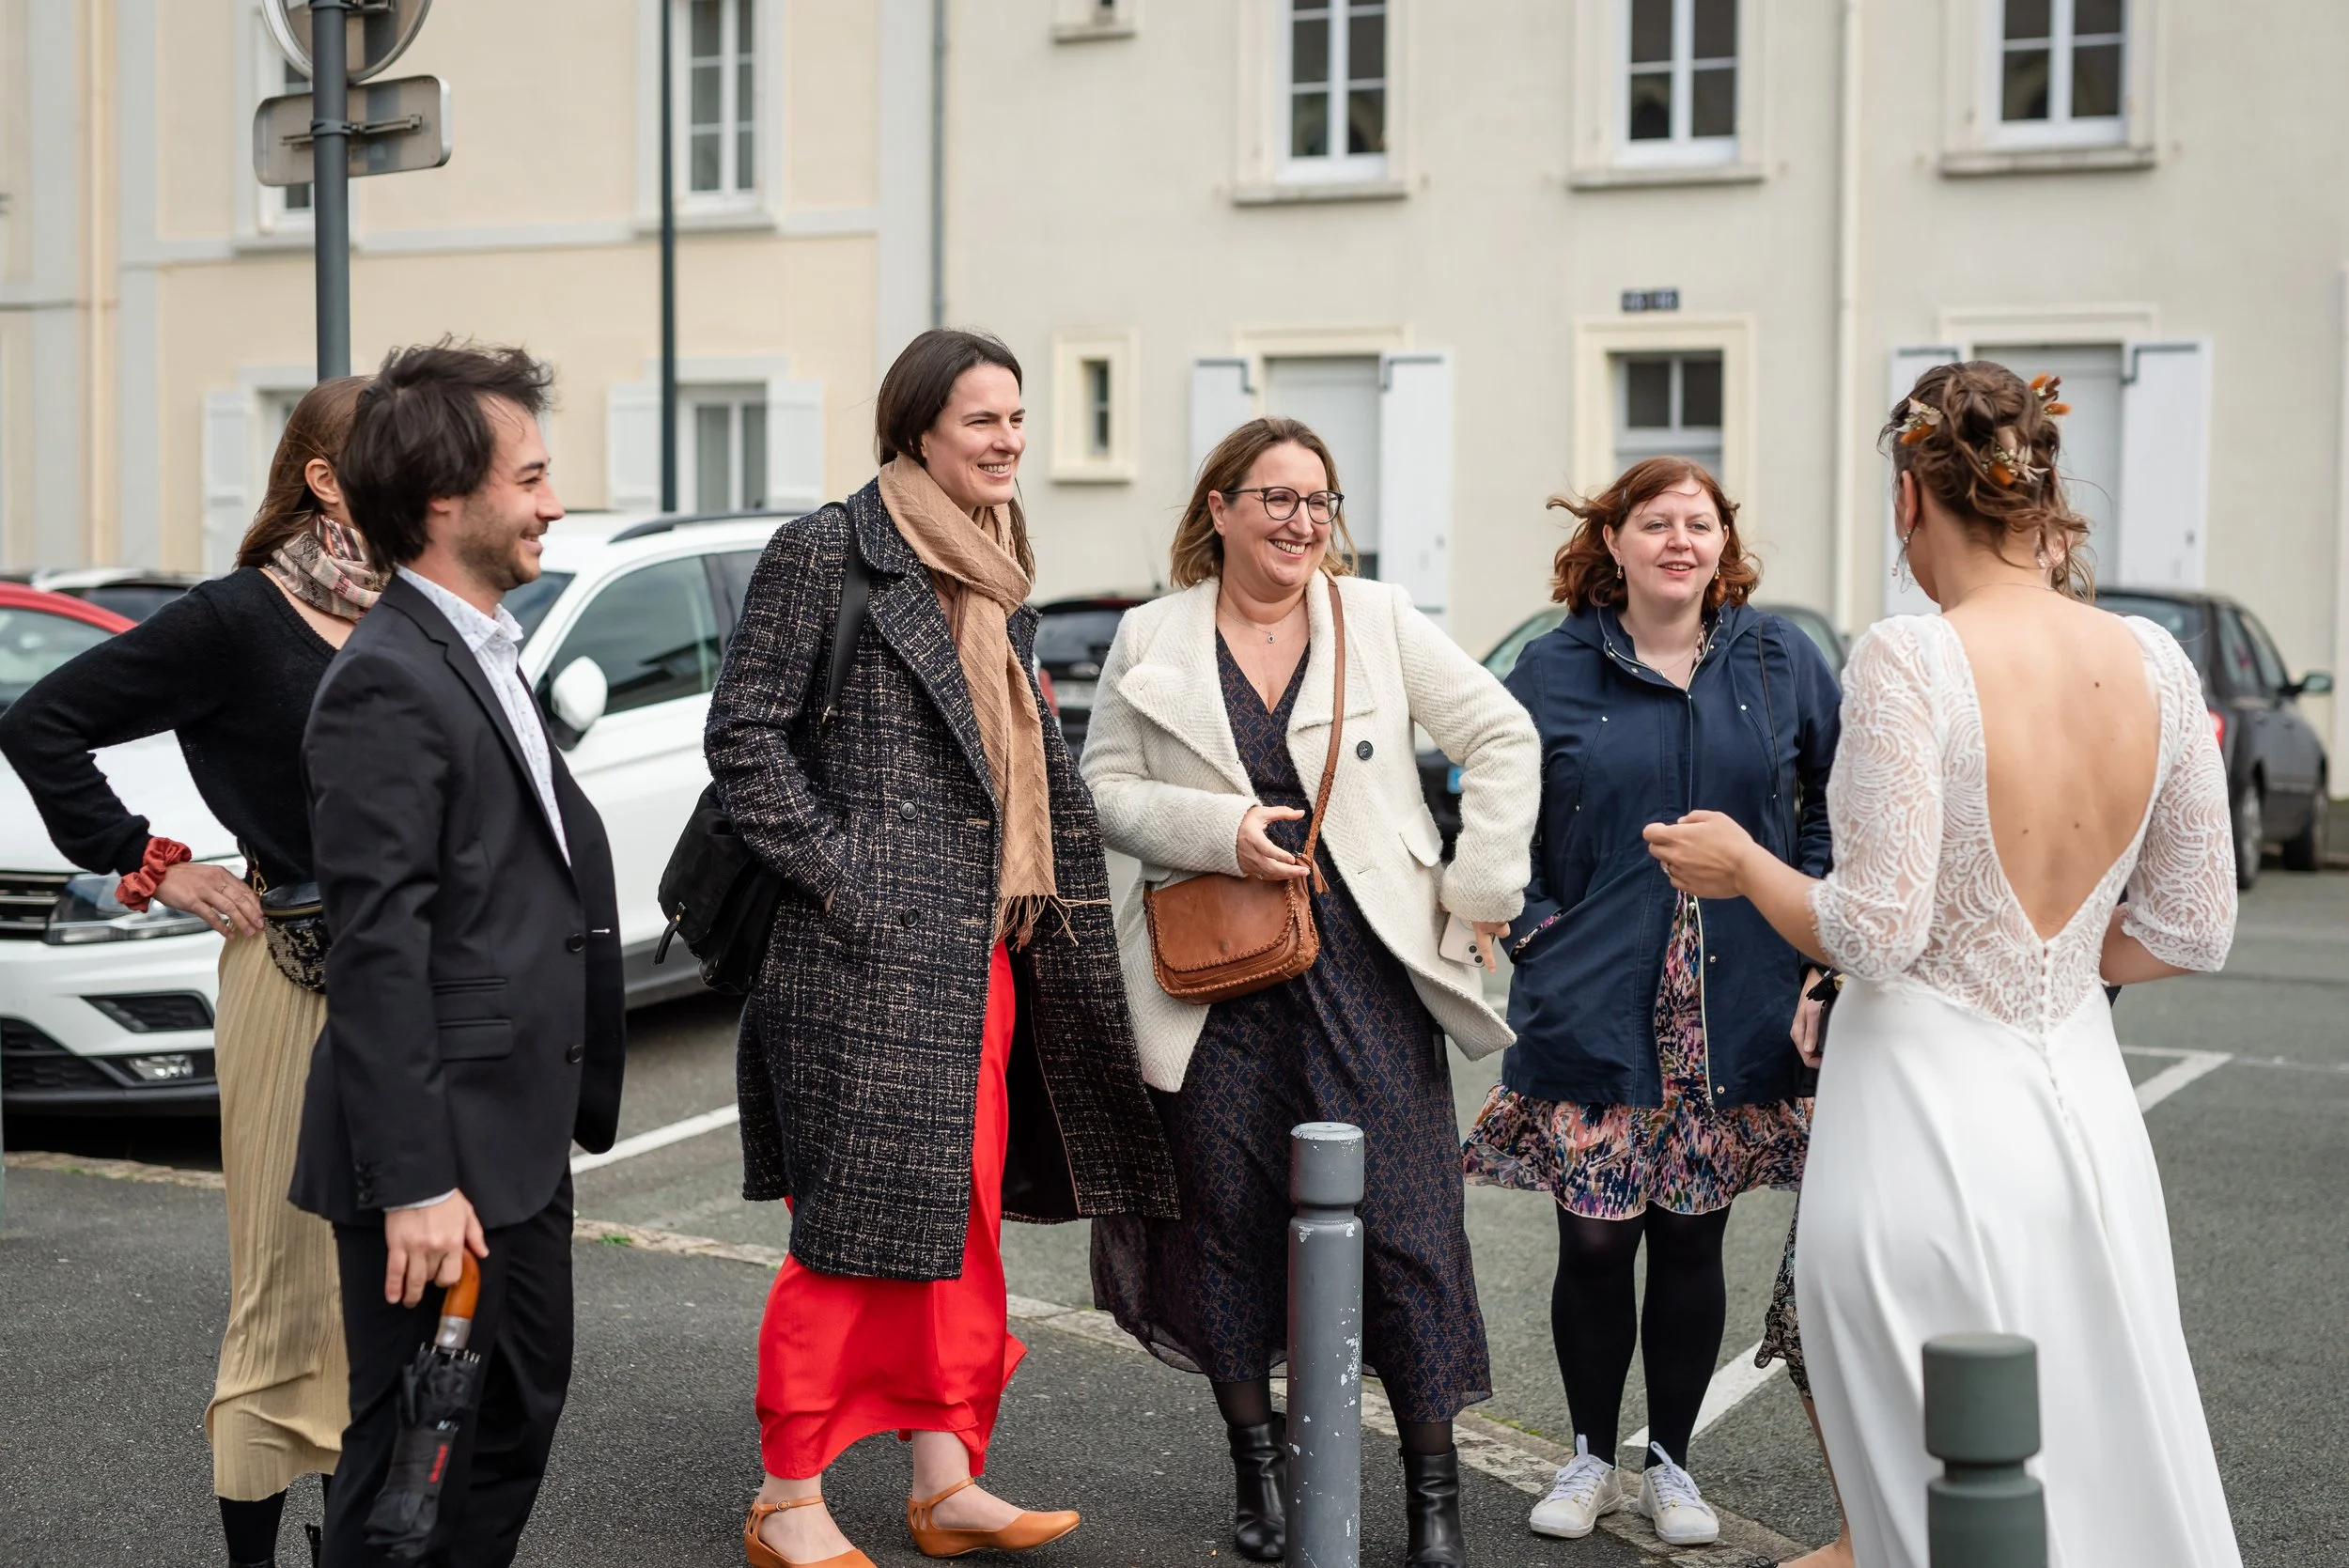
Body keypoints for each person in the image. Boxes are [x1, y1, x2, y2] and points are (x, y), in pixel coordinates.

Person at [1646, 361, 2242, 1568]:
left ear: (1913, 495)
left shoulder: (1913, 658)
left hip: (1921, 1123)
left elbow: (1873, 930)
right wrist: (2055, 965)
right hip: (2084, 1123)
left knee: (1933, 1481)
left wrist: (1746, 864)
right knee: (2093, 1444)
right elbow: (2192, 926)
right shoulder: (2158, 664)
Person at [706, 328, 1178, 1568]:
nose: (1009, 440)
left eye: (1019, 419)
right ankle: (787, 1496)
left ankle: (945, 1476)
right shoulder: (829, 550)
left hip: (984, 959)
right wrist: (851, 889)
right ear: (916, 427)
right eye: (984, 420)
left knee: (956, 1228)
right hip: (855, 965)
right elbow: (745, 738)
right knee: (850, 1235)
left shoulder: (999, 568)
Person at [1083, 416, 1540, 1568]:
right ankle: (1261, 1471)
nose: (1299, 522)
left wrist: (1478, 889)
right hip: (1216, 976)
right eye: (1276, 499)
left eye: (1318, 502)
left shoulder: (1374, 618)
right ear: (1220, 510)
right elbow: (1099, 788)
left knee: (1410, 1229)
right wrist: (1218, 829)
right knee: (1223, 1226)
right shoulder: (1152, 635)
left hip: (1368, 970)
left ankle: (1432, 1498)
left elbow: (1502, 733)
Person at [0, 378, 374, 1567]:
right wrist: (150, 862)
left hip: (421, 980)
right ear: (322, 477)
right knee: (288, 1289)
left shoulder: (418, 609)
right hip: (295, 978)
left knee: (401, 1294)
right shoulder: (234, 618)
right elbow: (41, 724)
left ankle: (358, 1541)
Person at [1460, 458, 1840, 1549]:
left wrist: (1806, 926)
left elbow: (1835, 801)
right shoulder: (1554, 666)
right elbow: (1493, 813)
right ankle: (1585, 1453)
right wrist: (1533, 930)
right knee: (1590, 1243)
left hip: (1735, 1000)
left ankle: (1670, 1460)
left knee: (1688, 1239)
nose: (1681, 539)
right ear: (1613, 541)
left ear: (1724, 543)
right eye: (1657, 523)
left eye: (1701, 523)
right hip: (1595, 997)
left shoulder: (1779, 659)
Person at [290, 341, 627, 1567]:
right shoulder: (385, 681)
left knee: (501, 1437)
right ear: (445, 502)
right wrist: (417, 1182)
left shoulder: (481, 645)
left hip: (514, 1139)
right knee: (409, 1484)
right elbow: (376, 949)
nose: (552, 501)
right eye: (530, 478)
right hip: (442, 1167)